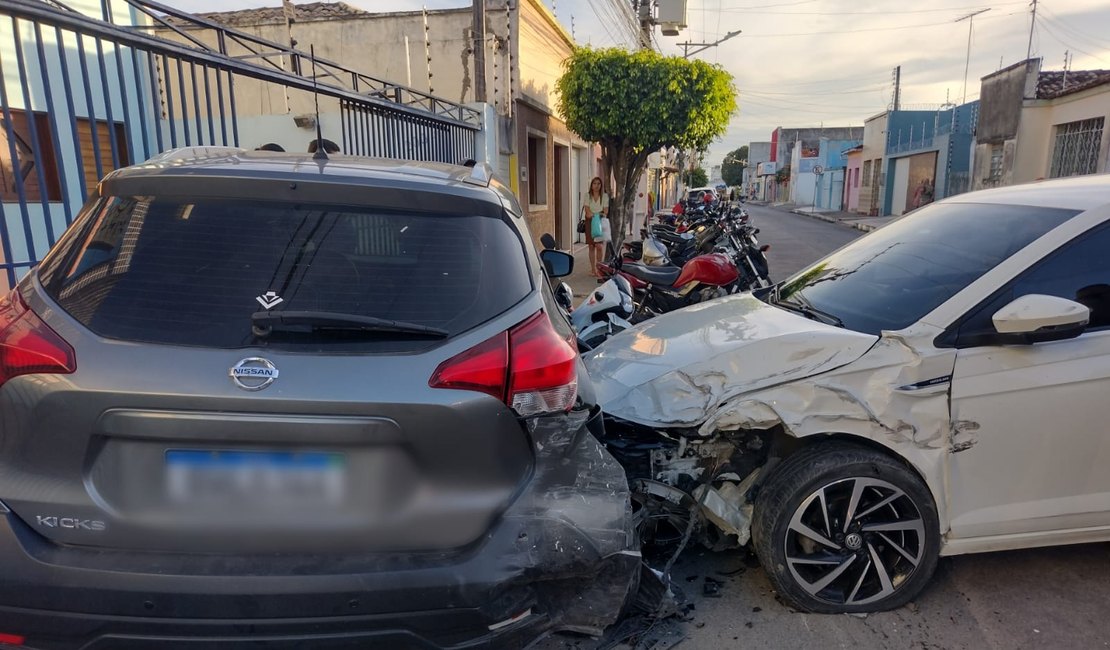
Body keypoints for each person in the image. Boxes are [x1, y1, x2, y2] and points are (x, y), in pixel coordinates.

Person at [582, 176, 610, 279]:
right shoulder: (587, 196)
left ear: (601, 185)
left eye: (598, 183)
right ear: (591, 185)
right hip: (590, 222)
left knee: (599, 246)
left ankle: (599, 268)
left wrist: (596, 215)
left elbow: (605, 211)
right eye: (594, 183)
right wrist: (595, 214)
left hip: (600, 222)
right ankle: (593, 269)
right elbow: (587, 210)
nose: (596, 186)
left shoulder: (605, 196)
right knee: (591, 246)